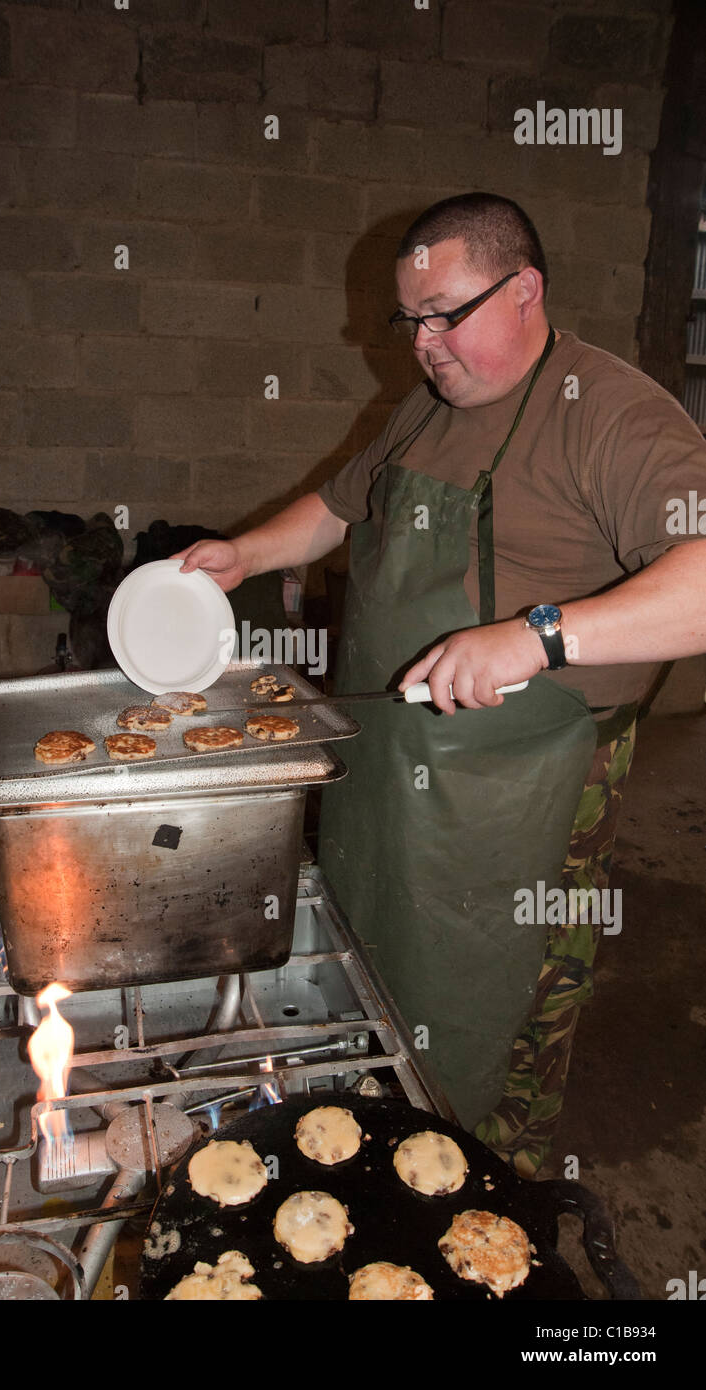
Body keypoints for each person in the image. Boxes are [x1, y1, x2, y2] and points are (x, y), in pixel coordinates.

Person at [176, 193, 706, 1175]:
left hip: (523, 782)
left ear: (525, 290)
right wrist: (241, 555)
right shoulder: (427, 403)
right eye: (409, 321)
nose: (424, 345)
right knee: (375, 957)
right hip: (390, 759)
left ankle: (499, 1206)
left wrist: (541, 635)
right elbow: (339, 507)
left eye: (446, 315)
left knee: (500, 1009)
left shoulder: (614, 416)